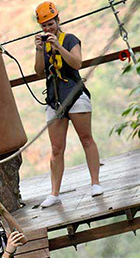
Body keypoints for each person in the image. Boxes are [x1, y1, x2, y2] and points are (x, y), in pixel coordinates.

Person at [34, 2, 104, 208]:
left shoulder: (69, 39)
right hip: (55, 98)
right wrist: (39, 50)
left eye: (50, 24)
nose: (48, 29)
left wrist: (57, 46)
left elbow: (76, 63)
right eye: (44, 26)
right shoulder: (43, 44)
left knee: (86, 138)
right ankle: (54, 193)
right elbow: (39, 71)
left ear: (57, 21)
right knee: (56, 148)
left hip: (74, 93)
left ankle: (95, 183)